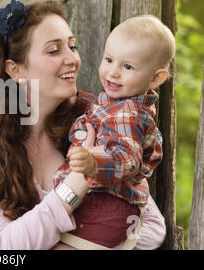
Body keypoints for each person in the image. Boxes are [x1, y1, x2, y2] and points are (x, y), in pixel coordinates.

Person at [0, 0, 166, 249]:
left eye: (72, 46)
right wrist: (78, 181)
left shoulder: (94, 118)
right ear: (16, 70)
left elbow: (151, 227)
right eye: (54, 50)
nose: (73, 59)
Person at [53, 15, 175, 249]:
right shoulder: (112, 103)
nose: (113, 72)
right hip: (103, 204)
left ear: (156, 78)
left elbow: (128, 158)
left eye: (127, 66)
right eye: (109, 60)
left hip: (105, 207)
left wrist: (94, 162)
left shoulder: (127, 112)